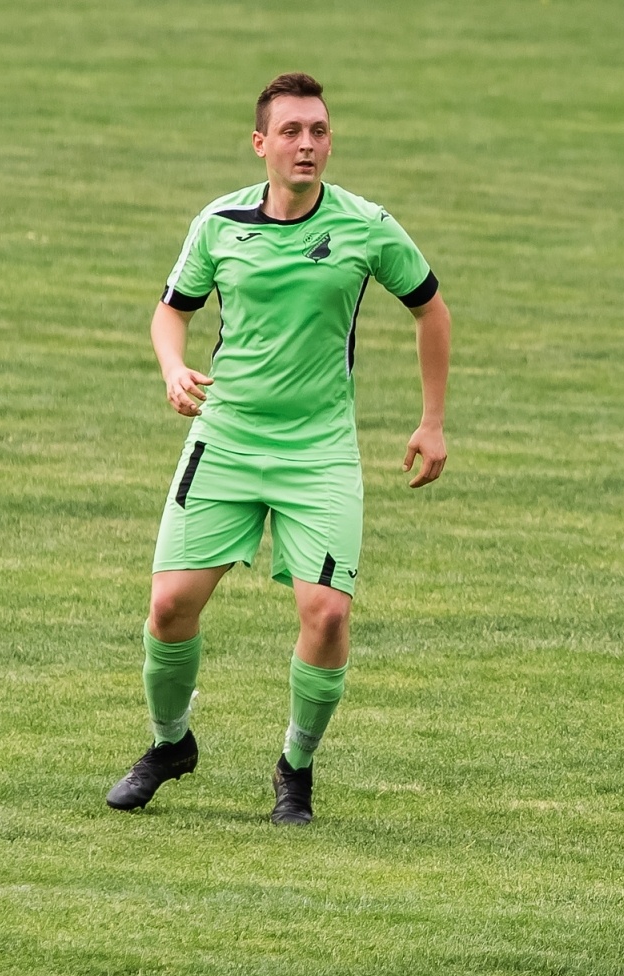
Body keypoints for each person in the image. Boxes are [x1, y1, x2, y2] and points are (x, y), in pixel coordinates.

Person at [105, 72, 451, 824]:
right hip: (225, 440)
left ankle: (295, 768)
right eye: (291, 131)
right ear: (261, 143)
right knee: (168, 606)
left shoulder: (366, 226)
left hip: (319, 453)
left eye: (319, 130)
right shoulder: (220, 223)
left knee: (326, 614)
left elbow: (431, 309)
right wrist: (173, 367)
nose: (307, 143)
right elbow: (171, 314)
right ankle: (170, 745)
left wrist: (431, 420)